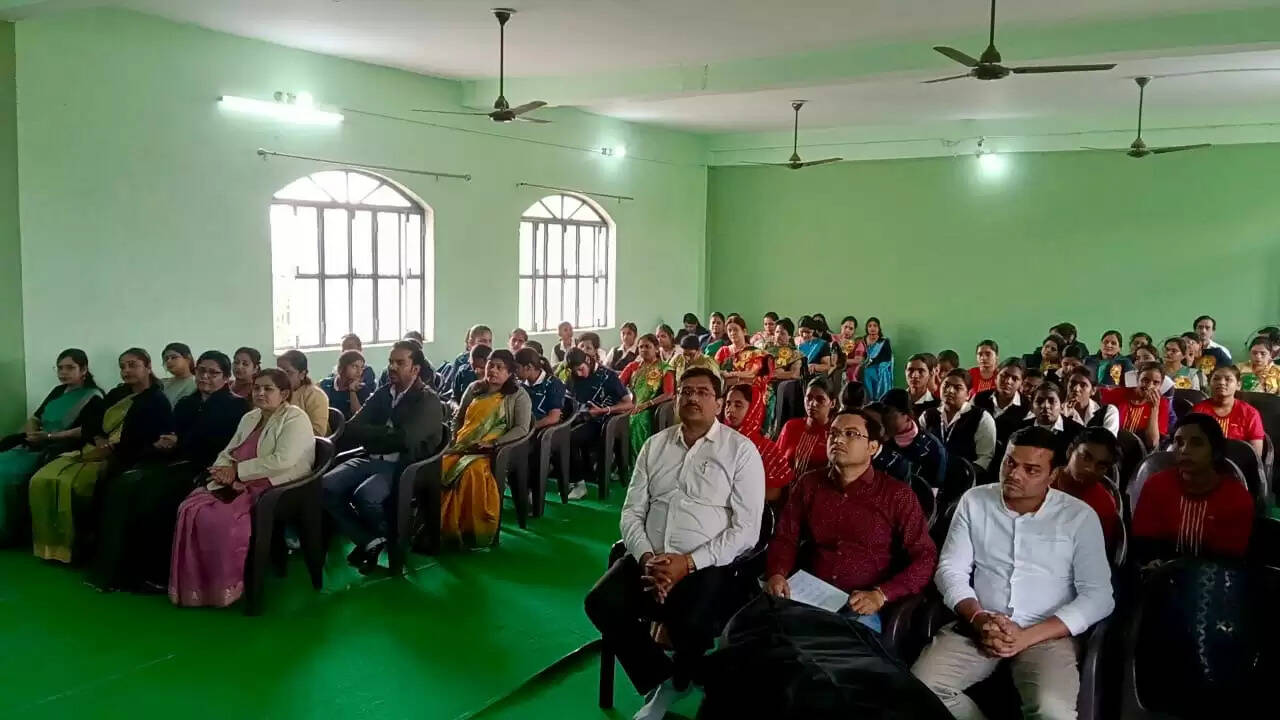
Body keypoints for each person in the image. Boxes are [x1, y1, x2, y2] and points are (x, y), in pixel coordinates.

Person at [584, 368, 765, 720]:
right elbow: (631, 511)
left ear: (718, 403)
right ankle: (664, 679)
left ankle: (684, 674)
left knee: (693, 616)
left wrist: (688, 563)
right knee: (601, 602)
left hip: (708, 564)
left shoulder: (740, 451)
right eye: (685, 391)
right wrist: (647, 557)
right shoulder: (655, 445)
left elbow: (747, 529)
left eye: (702, 392)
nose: (692, 398)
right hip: (649, 559)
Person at [911, 427, 1114, 720]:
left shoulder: (1078, 517)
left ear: (1053, 475)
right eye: (1010, 462)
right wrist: (979, 618)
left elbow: (1099, 596)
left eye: (1031, 470)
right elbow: (950, 570)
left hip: (1046, 633)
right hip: (982, 626)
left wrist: (1026, 637)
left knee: (1052, 712)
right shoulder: (975, 501)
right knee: (920, 689)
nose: (1015, 474)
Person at [765, 409, 937, 633]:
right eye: (833, 433)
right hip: (809, 596)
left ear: (872, 447)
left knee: (843, 649)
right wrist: (777, 573)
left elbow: (925, 557)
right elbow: (785, 537)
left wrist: (882, 594)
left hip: (862, 605)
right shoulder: (809, 484)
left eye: (851, 434)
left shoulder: (897, 495)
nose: (838, 439)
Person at [90, 350, 247, 591]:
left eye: (213, 373)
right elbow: (177, 436)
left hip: (209, 468)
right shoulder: (187, 404)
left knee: (153, 500)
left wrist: (183, 446)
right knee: (123, 486)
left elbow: (232, 446)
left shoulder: (236, 406)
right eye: (201, 371)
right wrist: (169, 442)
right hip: (177, 463)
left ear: (226, 378)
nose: (205, 377)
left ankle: (157, 574)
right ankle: (117, 571)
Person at [168, 368, 315, 607]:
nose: (260, 393)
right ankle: (198, 585)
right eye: (256, 388)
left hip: (278, 484)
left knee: (217, 519)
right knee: (190, 508)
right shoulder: (251, 417)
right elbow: (229, 450)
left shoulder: (294, 418)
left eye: (268, 389)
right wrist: (221, 469)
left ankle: (225, 586)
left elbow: (282, 461)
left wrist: (237, 471)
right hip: (241, 479)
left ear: (284, 394)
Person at [28, 348, 173, 563]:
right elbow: (93, 424)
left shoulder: (157, 400)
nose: (126, 370)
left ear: (148, 367)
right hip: (93, 450)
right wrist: (98, 439)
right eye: (122, 366)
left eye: (132, 365)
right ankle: (50, 547)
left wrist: (112, 449)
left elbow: (152, 439)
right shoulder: (117, 394)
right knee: (42, 479)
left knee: (72, 485)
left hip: (126, 457)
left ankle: (78, 549)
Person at [323, 341, 445, 572]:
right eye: (390, 362)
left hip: (405, 465)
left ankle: (389, 540)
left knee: (366, 495)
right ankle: (371, 540)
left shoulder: (427, 400)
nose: (392, 367)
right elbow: (352, 427)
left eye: (400, 363)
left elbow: (405, 440)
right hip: (372, 457)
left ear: (415, 369)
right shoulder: (383, 393)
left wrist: (372, 435)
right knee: (325, 486)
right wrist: (383, 434)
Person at [0, 349, 104, 545]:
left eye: (70, 368)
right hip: (35, 443)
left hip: (59, 447)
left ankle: (7, 532)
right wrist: (32, 433)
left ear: (83, 369)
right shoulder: (58, 391)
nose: (63, 372)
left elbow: (87, 430)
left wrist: (49, 436)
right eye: (60, 368)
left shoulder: (94, 396)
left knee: (4, 473)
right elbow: (35, 417)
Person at [438, 349, 531, 547]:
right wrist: (455, 439)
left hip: (494, 451)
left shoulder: (518, 395)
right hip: (463, 446)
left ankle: (470, 531)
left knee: (472, 472)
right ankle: (439, 526)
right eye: (491, 365)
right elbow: (459, 418)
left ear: (509, 373)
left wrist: (494, 443)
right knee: (441, 466)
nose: (493, 370)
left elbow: (522, 428)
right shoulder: (474, 388)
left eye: (499, 367)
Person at [1132, 413, 1253, 563]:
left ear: (1215, 451)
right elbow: (1143, 542)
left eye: (1196, 443)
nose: (1184, 450)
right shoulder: (1156, 485)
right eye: (1179, 442)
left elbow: (1230, 558)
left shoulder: (1236, 497)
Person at [564, 348, 634, 500]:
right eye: (575, 371)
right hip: (582, 417)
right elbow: (568, 402)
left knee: (569, 439)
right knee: (559, 434)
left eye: (581, 369)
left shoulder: (608, 376)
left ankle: (579, 484)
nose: (579, 374)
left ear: (588, 361)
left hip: (603, 422)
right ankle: (580, 476)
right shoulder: (573, 378)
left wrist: (604, 410)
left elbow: (629, 404)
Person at [1050, 427, 1122, 554]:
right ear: (1070, 451)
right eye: (1086, 458)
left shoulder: (1104, 505)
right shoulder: (1038, 481)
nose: (1091, 469)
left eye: (1101, 466)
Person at [722, 383, 793, 503]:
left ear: (753, 409)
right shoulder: (718, 440)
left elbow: (773, 494)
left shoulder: (767, 449)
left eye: (738, 405)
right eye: (728, 404)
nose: (730, 409)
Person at [921, 369, 998, 471]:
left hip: (965, 476)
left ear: (968, 394)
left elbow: (984, 459)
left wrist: (962, 476)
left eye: (957, 387)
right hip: (930, 474)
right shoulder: (928, 415)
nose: (950, 391)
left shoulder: (981, 417)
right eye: (946, 385)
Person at [620, 334, 676, 467]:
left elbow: (669, 394)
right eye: (641, 347)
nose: (643, 350)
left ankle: (641, 464)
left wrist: (646, 404)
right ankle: (622, 465)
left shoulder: (665, 369)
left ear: (656, 348)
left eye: (647, 346)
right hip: (630, 406)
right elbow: (618, 385)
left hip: (650, 408)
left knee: (637, 419)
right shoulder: (633, 366)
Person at [716, 318, 774, 442]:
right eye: (729, 330)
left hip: (748, 387)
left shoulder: (755, 352)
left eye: (735, 330)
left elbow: (752, 373)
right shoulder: (723, 351)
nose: (732, 333)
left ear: (744, 331)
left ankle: (751, 433)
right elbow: (715, 370)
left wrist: (731, 374)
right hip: (725, 387)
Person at [1191, 366, 1265, 456]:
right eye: (1216, 379)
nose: (1221, 382)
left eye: (1228, 379)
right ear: (1209, 383)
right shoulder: (1199, 410)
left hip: (1238, 462)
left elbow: (1256, 455)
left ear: (1238, 385)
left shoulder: (1250, 413)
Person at [881, 389, 947, 490]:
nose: (883, 419)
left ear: (907, 415)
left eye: (887, 413)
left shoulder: (932, 448)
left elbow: (931, 492)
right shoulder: (880, 442)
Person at [1010, 381, 1084, 467]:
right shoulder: (1019, 429)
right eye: (1039, 401)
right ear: (1032, 407)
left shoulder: (1077, 432)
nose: (1045, 406)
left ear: (1061, 405)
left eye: (1052, 401)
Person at [1100, 362, 1171, 451]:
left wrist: (1154, 408)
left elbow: (1152, 443)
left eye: (1156, 383)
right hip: (1112, 447)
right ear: (1138, 378)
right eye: (1145, 380)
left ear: (1161, 384)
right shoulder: (1119, 394)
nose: (1149, 386)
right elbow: (1097, 393)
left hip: (1141, 452)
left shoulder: (1162, 404)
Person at [776, 378, 834, 476]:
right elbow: (776, 461)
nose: (812, 404)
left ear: (832, 403)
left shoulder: (833, 433)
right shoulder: (791, 426)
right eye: (809, 398)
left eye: (820, 400)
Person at [276, 350, 329, 436]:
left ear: (302, 374)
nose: (282, 376)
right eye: (279, 371)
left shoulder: (315, 395)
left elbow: (318, 431)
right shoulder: (276, 393)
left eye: (288, 372)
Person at [974, 359, 1027, 445]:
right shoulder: (979, 398)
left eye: (1015, 378)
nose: (1008, 381)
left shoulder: (1026, 407)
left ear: (1021, 383)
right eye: (1004, 375)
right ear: (996, 377)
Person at [516, 348, 567, 431]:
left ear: (528, 367)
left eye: (517, 368)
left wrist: (529, 429)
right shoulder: (520, 384)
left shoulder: (553, 384)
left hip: (539, 431)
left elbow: (553, 418)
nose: (514, 372)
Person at [1062, 367, 1120, 436]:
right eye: (1073, 383)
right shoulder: (1059, 411)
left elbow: (1107, 440)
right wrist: (1065, 417)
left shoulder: (1108, 411)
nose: (1076, 389)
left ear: (1093, 390)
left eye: (1083, 385)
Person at [319, 350, 373, 419]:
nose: (359, 372)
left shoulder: (362, 389)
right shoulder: (324, 385)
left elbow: (360, 418)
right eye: (354, 366)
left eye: (362, 367)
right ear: (342, 367)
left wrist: (352, 391)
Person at [862, 317, 894, 401]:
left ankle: (876, 399)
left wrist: (871, 362)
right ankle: (867, 399)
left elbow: (887, 358)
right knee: (864, 371)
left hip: (879, 367)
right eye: (870, 326)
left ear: (879, 328)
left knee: (868, 372)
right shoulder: (863, 340)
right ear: (867, 328)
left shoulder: (884, 341)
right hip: (863, 365)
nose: (872, 328)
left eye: (875, 326)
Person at [160, 342, 198, 408]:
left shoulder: (197, 383)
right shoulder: (162, 383)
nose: (168, 361)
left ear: (188, 359)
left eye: (173, 357)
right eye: (166, 359)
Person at [836, 315, 867, 384]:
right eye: (845, 327)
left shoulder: (857, 342)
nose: (847, 330)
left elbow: (858, 360)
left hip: (848, 370)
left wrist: (841, 361)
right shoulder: (833, 338)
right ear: (841, 326)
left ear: (854, 331)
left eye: (851, 329)